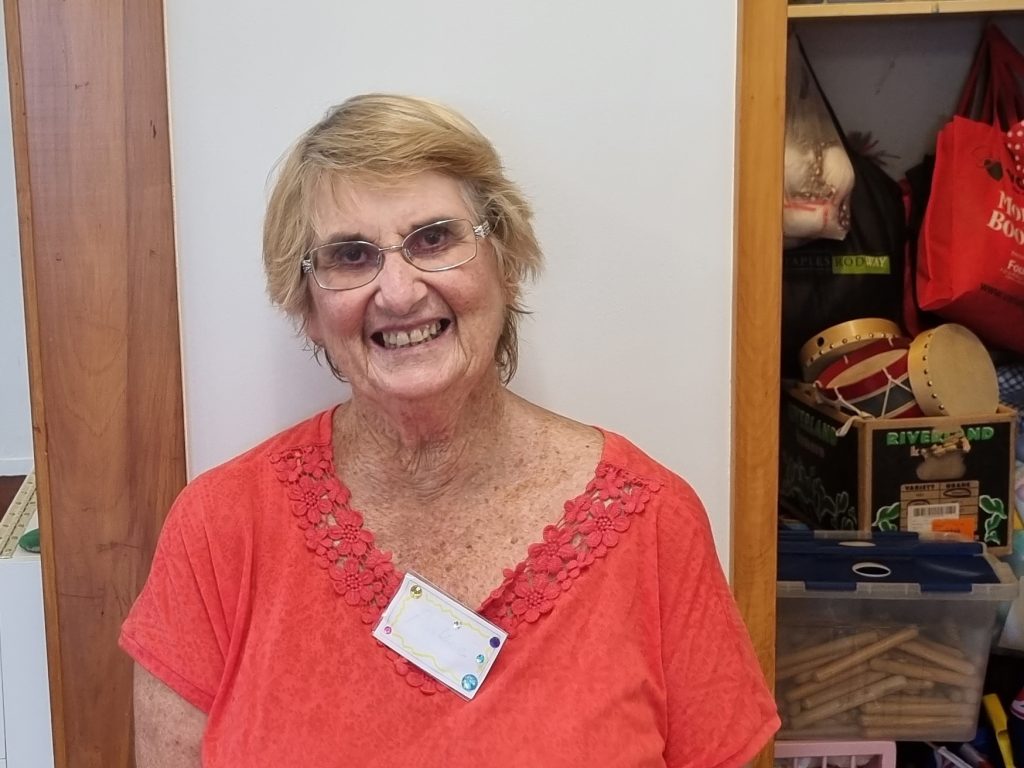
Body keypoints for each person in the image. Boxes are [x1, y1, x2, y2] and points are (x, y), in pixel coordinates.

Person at [120, 93, 780, 767]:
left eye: (433, 239)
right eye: (351, 256)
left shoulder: (652, 525)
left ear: (508, 262)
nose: (399, 292)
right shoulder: (220, 530)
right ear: (308, 308)